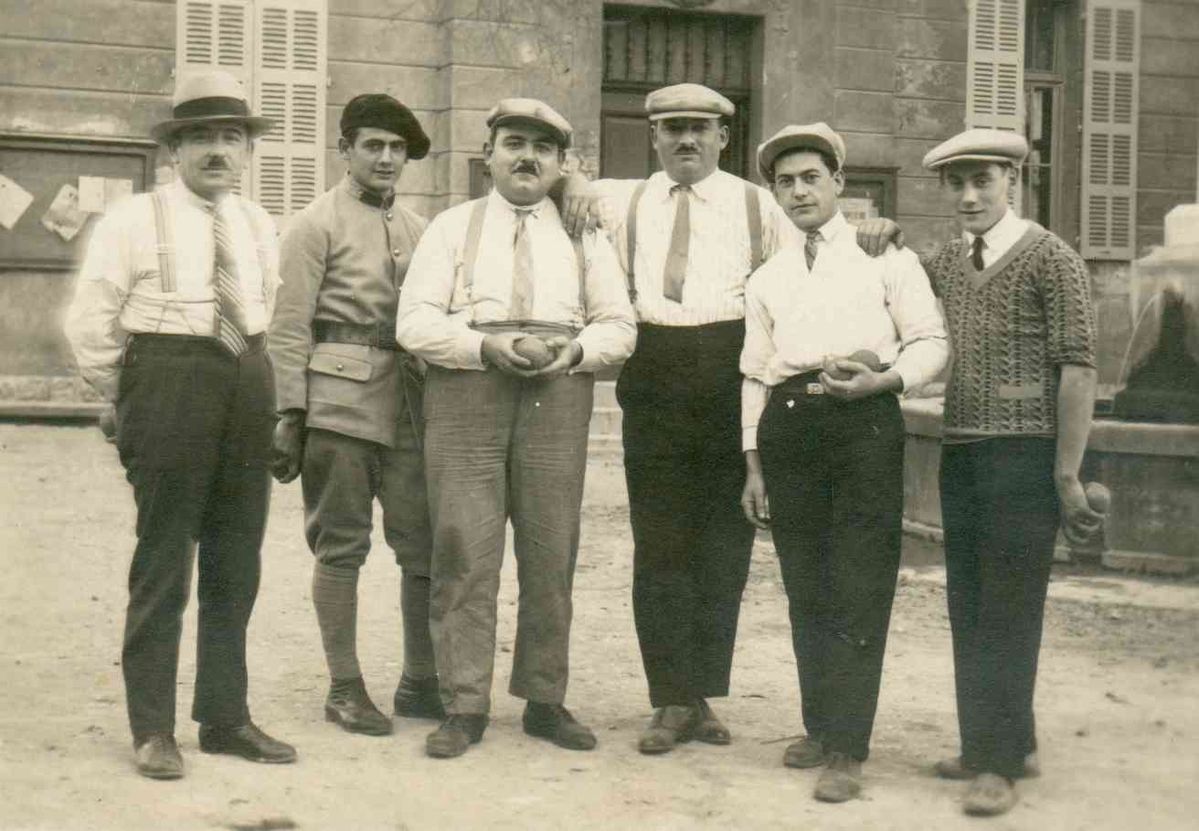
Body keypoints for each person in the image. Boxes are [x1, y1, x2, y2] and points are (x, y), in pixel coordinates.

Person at [559, 84, 896, 754]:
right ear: (653, 136)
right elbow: (552, 176)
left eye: (699, 129)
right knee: (659, 541)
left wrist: (875, 231)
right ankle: (669, 698)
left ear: (721, 136)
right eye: (672, 129)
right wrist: (569, 176)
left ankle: (702, 693)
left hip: (730, 369)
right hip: (654, 370)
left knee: (723, 545)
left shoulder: (758, 203)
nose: (685, 141)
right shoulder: (622, 198)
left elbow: (821, 235)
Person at [64, 69, 296, 779]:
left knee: (237, 557)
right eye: (201, 138)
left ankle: (224, 717)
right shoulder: (132, 220)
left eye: (230, 137)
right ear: (175, 150)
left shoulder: (257, 223)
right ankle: (152, 728)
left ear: (247, 150)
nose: (217, 151)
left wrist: (264, 391)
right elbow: (91, 322)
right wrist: (125, 395)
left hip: (245, 377)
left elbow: (265, 308)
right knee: (165, 557)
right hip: (168, 377)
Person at [397, 98, 636, 759]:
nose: (526, 156)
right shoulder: (450, 228)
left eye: (541, 146)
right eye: (512, 142)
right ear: (488, 156)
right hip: (467, 387)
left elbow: (619, 322)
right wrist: (481, 348)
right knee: (463, 549)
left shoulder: (584, 233)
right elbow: (412, 322)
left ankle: (543, 698)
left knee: (549, 547)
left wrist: (577, 352)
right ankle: (463, 703)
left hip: (556, 393)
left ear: (562, 163)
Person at [739, 124, 948, 802]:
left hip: (862, 421)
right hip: (789, 425)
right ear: (773, 193)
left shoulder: (884, 257)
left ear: (837, 183)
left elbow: (928, 342)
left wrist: (884, 381)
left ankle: (848, 746)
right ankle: (818, 724)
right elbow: (753, 373)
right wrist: (752, 462)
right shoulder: (766, 276)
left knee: (858, 580)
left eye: (810, 177)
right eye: (785, 181)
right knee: (806, 583)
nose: (798, 190)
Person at [921, 128, 1100, 816]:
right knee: (967, 602)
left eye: (982, 181)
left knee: (1008, 608)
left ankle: (996, 763)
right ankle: (994, 742)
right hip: (961, 450)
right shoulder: (943, 260)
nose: (968, 196)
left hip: (1024, 460)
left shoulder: (1051, 258)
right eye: (956, 183)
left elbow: (1078, 367)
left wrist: (1065, 473)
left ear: (1012, 182)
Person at [267, 94, 443, 737]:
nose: (387, 158)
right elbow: (287, 328)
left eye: (397, 148)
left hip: (408, 407)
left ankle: (420, 681)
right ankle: (344, 688)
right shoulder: (314, 224)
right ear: (345, 150)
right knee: (341, 545)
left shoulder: (422, 229)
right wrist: (289, 411)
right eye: (373, 145)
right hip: (336, 406)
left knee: (421, 545)